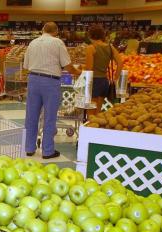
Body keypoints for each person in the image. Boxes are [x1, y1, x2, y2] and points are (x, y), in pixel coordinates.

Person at [23, 22, 81, 159]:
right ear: (56, 31)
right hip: (50, 81)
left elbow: (26, 65)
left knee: (31, 115)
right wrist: (78, 72)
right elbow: (67, 65)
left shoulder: (33, 43)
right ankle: (47, 151)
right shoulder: (58, 42)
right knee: (49, 117)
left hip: (33, 79)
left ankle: (29, 148)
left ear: (43, 30)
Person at [85, 24, 124, 115]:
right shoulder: (110, 47)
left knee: (90, 115)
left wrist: (79, 71)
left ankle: (89, 129)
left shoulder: (91, 48)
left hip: (93, 82)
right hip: (104, 82)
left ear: (90, 35)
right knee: (98, 113)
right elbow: (120, 63)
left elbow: (89, 69)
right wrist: (115, 79)